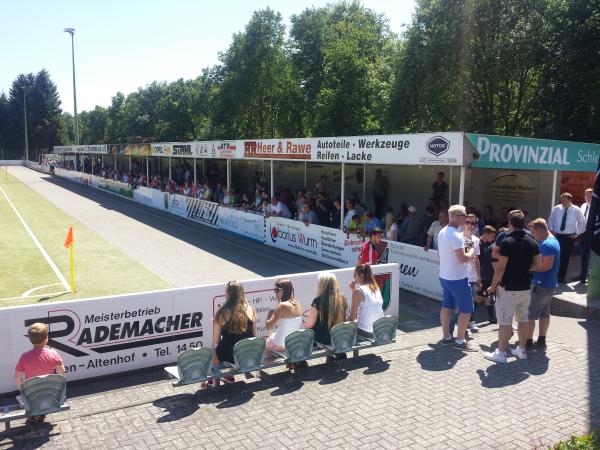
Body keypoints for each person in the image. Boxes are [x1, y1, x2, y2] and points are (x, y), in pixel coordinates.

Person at [485, 212, 541, 363]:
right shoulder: (533, 242)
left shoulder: (507, 242)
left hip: (508, 288)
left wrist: (492, 286)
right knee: (523, 319)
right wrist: (525, 269)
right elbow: (538, 264)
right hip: (525, 288)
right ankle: (521, 350)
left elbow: (500, 267)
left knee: (504, 321)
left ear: (510, 224)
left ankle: (501, 354)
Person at [437, 204, 476, 351]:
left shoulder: (443, 232)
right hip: (457, 278)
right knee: (467, 309)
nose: (466, 219)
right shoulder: (455, 235)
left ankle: (447, 337)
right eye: (464, 216)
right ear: (458, 217)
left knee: (446, 306)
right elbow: (462, 258)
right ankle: (460, 341)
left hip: (445, 275)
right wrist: (471, 252)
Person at [14, 323, 66, 423]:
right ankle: (41, 413)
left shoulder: (24, 357)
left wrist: (23, 391)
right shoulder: (53, 353)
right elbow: (61, 372)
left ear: (29, 339)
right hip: (51, 394)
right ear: (46, 338)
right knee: (45, 391)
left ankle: (36, 414)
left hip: (32, 397)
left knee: (22, 396)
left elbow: (17, 378)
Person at [212, 281, 257, 381]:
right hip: (248, 355)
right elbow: (253, 335)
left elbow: (216, 342)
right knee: (239, 344)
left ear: (228, 294)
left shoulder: (222, 312)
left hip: (230, 356)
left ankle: (211, 379)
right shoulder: (251, 309)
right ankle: (243, 372)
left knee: (215, 350)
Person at [527, 218, 560, 350]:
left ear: (539, 230)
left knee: (530, 314)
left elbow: (546, 266)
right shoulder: (554, 240)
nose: (532, 236)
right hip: (549, 284)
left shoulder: (546, 244)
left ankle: (527, 341)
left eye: (533, 233)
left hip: (541, 284)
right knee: (544, 313)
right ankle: (541, 340)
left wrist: (529, 268)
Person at [304, 273, 348, 359]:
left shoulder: (317, 301)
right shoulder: (341, 298)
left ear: (322, 285)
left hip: (322, 339)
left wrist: (304, 324)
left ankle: (300, 365)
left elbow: (309, 325)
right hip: (338, 336)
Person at [548, 192, 586, 284]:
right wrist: (552, 230)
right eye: (562, 200)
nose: (562, 202)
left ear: (570, 200)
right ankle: (552, 275)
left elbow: (582, 222)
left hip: (569, 237)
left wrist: (577, 234)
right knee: (555, 255)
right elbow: (551, 219)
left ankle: (561, 277)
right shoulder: (557, 208)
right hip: (557, 235)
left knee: (565, 257)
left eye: (564, 200)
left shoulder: (576, 210)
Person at [266, 279, 303, 352]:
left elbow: (268, 326)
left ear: (285, 290)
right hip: (292, 343)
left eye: (277, 290)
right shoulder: (297, 303)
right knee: (271, 336)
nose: (275, 292)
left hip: (279, 345)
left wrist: (270, 312)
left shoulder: (282, 305)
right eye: (274, 290)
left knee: (267, 343)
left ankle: (270, 362)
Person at [349, 264, 384, 337]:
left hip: (364, 331)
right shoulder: (376, 287)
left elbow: (352, 318)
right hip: (378, 330)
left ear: (361, 275)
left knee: (344, 323)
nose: (354, 278)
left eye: (355, 275)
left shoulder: (358, 292)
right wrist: (353, 290)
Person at [463, 214, 482, 332]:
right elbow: (467, 255)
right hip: (461, 275)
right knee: (463, 302)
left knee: (472, 300)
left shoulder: (475, 240)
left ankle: (471, 321)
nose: (470, 225)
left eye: (473, 223)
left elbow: (477, 259)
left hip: (473, 275)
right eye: (467, 222)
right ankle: (462, 325)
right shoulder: (459, 237)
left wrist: (479, 277)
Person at [477, 226, 498, 324]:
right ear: (485, 234)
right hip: (481, 274)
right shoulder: (478, 243)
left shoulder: (489, 244)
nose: (493, 239)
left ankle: (492, 316)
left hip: (488, 273)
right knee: (480, 297)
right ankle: (470, 318)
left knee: (487, 295)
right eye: (492, 236)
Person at [574, 188, 593, 282]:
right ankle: (583, 276)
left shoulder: (596, 206)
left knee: (592, 256)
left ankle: (591, 276)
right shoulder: (583, 205)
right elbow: (580, 220)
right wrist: (577, 231)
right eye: (586, 195)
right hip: (583, 234)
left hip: (592, 235)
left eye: (590, 196)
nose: (588, 198)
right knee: (583, 255)